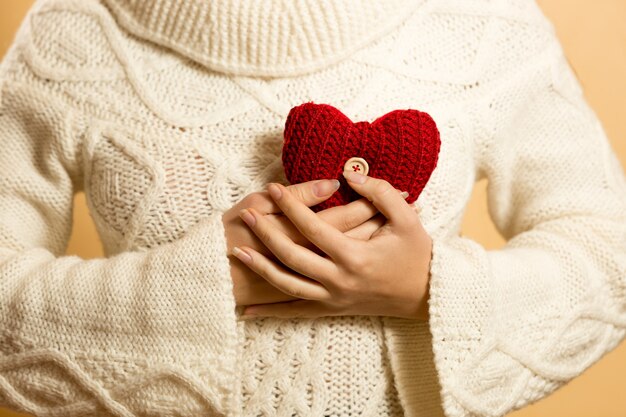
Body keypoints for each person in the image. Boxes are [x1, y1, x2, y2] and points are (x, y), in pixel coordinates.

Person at [0, 0, 624, 416]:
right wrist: (200, 286)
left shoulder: (487, 23)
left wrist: (428, 288)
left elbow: (610, 252)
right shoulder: (71, 31)